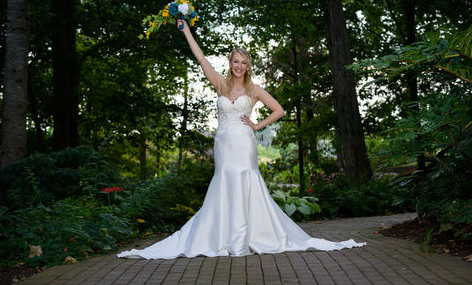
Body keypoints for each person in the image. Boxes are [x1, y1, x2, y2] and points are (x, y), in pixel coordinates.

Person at [117, 20, 365, 259]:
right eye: (236, 61)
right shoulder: (220, 85)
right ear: (230, 63)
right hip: (224, 143)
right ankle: (222, 237)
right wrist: (185, 32)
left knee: (246, 180)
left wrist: (257, 125)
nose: (239, 66)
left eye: (243, 63)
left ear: (247, 67)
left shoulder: (253, 90)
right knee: (225, 181)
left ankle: (247, 238)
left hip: (245, 143)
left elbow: (279, 110)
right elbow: (201, 58)